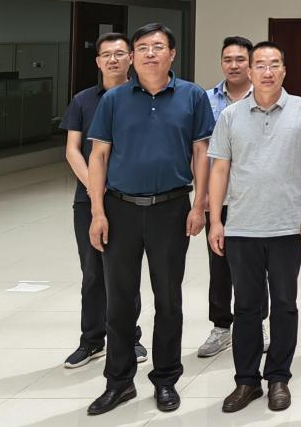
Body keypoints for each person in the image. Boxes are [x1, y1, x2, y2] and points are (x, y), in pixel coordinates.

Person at [84, 23, 215, 416]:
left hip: (171, 209)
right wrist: (97, 211)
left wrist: (199, 205)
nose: (150, 53)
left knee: (168, 299)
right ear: (133, 56)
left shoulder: (192, 95)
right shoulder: (114, 98)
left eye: (158, 47)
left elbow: (201, 153)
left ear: (172, 54)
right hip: (120, 209)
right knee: (120, 301)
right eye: (142, 47)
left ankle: (166, 379)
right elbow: (98, 156)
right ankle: (119, 382)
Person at [207, 41, 301, 413]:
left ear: (284, 70)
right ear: (250, 71)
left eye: (275, 64)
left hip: (287, 226)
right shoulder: (231, 115)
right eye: (260, 65)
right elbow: (219, 169)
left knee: (285, 304)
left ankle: (278, 378)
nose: (268, 71)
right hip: (242, 226)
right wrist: (215, 219)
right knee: (246, 306)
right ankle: (246, 381)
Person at [61, 32, 145, 369]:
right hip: (88, 200)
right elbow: (72, 150)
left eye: (120, 53)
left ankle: (129, 338)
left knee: (125, 273)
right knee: (93, 272)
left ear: (130, 59)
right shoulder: (83, 100)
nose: (113, 59)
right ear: (97, 61)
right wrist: (96, 188)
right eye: (106, 54)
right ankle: (92, 340)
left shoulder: (142, 96)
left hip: (129, 198)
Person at [199, 35, 254, 359]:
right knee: (218, 264)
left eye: (240, 59)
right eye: (228, 60)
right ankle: (221, 326)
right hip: (217, 198)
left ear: (250, 63)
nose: (234, 65)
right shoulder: (206, 100)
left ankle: (256, 322)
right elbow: (199, 150)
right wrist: (203, 193)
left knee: (255, 266)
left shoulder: (263, 97)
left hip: (255, 198)